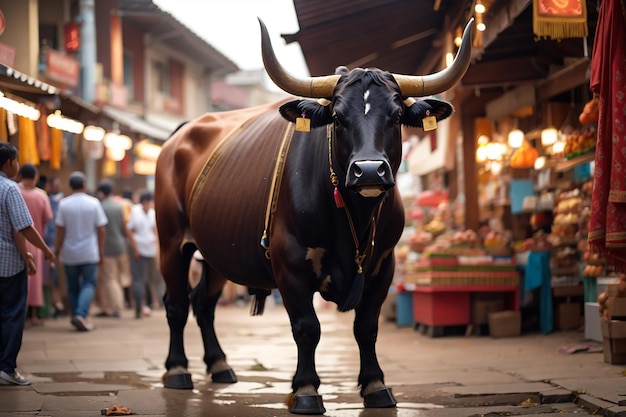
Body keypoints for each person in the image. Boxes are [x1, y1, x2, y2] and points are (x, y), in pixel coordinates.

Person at [0, 142, 54, 386]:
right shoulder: (10, 189)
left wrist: (27, 255)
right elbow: (22, 226)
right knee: (12, 315)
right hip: (7, 265)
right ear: (9, 163)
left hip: (12, 258)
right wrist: (44, 251)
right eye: (17, 160)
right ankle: (7, 368)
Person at [54, 172, 107, 332]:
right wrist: (101, 251)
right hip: (89, 252)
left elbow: (60, 231)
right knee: (89, 283)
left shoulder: (63, 204)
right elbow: (101, 229)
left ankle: (77, 315)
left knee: (72, 286)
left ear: (70, 186)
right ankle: (80, 315)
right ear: (84, 185)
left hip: (69, 253)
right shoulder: (94, 203)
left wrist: (56, 251)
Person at [17, 164, 53, 327]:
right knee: (35, 280)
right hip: (37, 242)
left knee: (18, 280)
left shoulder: (14, 190)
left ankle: (19, 317)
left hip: (16, 241)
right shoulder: (42, 195)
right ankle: (33, 316)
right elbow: (47, 218)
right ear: (36, 177)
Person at [95, 180, 136, 318]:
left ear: (101, 193)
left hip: (107, 247)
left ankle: (116, 307)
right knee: (118, 277)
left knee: (109, 278)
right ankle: (111, 306)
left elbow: (100, 230)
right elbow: (125, 228)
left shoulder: (100, 206)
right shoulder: (119, 207)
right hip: (120, 245)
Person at [127, 190, 163, 318]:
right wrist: (135, 248)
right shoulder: (135, 211)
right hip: (139, 248)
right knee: (138, 279)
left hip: (150, 249)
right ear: (145, 202)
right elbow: (129, 230)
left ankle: (147, 304)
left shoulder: (152, 213)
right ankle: (139, 306)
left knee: (148, 279)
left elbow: (155, 230)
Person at [43, 176, 66, 317]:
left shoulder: (61, 202)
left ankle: (58, 304)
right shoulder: (47, 200)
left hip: (57, 245)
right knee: (53, 278)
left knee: (57, 278)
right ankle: (56, 304)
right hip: (49, 244)